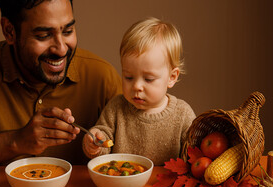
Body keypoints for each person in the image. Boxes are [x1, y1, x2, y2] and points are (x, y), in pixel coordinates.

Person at [0, 0, 122, 175]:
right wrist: (15, 141)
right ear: (9, 31)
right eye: (43, 36)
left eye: (68, 31)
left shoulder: (102, 76)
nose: (61, 49)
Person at [82, 17, 196, 165]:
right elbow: (104, 139)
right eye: (129, 77)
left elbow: (195, 154)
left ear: (171, 77)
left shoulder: (183, 114)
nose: (136, 86)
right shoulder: (116, 107)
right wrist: (95, 143)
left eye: (148, 79)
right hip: (122, 184)